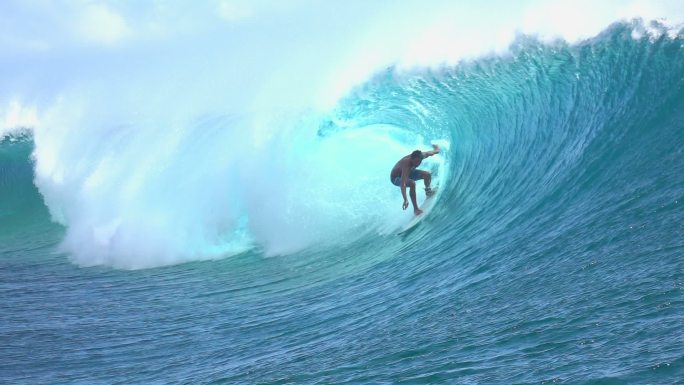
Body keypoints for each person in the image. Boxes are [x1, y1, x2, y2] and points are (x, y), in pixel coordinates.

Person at [390, 144, 440, 215]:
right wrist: (405, 199)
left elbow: (433, 152)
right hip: (396, 178)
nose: (417, 164)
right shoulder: (406, 164)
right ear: (411, 159)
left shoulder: (422, 156)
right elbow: (403, 184)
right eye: (415, 161)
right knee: (412, 183)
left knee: (427, 174)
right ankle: (416, 209)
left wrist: (436, 149)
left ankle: (428, 191)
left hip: (410, 172)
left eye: (419, 161)